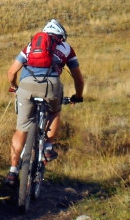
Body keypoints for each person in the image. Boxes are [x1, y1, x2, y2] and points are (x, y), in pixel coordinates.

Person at [5, 19, 84, 187]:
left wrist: (14, 87)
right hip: (51, 86)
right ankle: (48, 147)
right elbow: (78, 79)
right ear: (61, 36)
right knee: (55, 111)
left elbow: (11, 72)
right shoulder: (67, 48)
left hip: (27, 87)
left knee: (21, 128)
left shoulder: (30, 47)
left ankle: (13, 171)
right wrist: (77, 96)